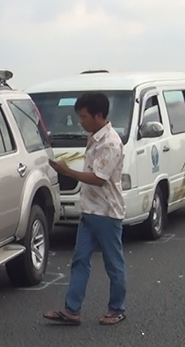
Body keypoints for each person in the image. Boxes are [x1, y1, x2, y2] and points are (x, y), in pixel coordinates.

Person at [44, 92, 127, 325]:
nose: (80, 121)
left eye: (83, 117)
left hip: (107, 212)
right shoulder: (94, 136)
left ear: (98, 115)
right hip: (90, 210)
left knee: (113, 263)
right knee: (80, 260)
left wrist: (67, 171)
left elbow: (99, 178)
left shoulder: (110, 142)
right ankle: (72, 310)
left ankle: (117, 308)